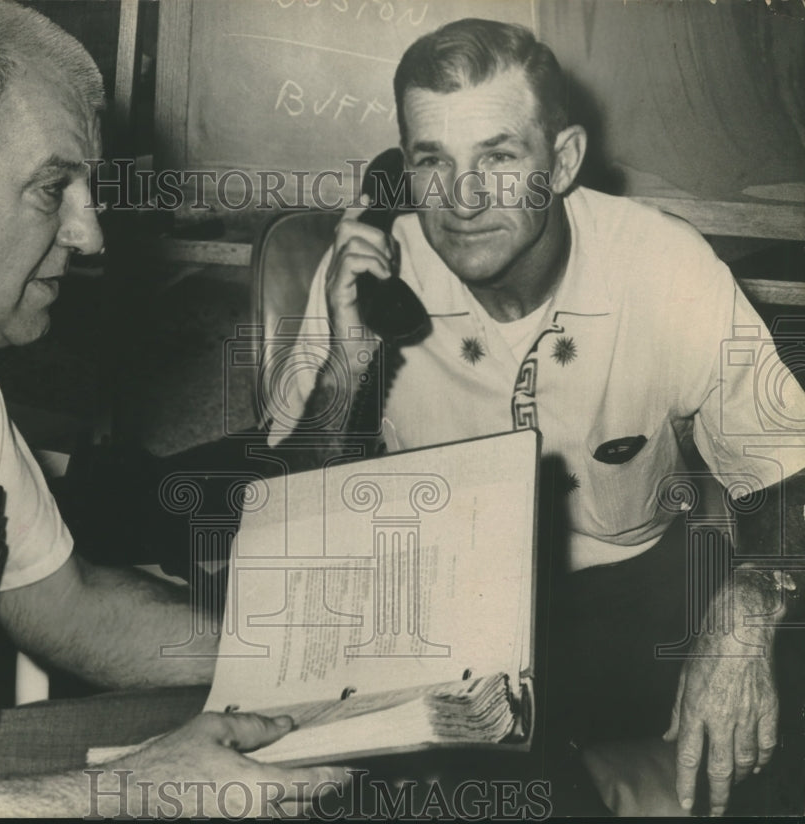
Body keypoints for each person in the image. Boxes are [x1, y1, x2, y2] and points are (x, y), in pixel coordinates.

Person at [0, 1, 345, 816]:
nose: (91, 235)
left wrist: (323, 657)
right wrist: (123, 793)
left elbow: (72, 604)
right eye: (53, 188)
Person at [269, 18, 805, 815]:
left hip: (633, 597)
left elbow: (788, 474)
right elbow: (285, 527)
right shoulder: (372, 272)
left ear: (562, 161)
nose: (460, 200)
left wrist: (748, 609)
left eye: (498, 157)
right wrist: (349, 363)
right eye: (432, 162)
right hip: (447, 612)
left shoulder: (663, 264)